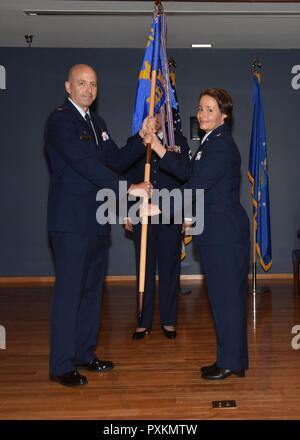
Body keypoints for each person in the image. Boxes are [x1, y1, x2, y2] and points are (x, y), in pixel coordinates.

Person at [45, 64, 152, 387]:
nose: (88, 89)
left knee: (92, 292)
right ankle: (62, 365)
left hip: (98, 220)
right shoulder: (60, 121)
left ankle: (84, 354)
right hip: (71, 222)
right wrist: (127, 189)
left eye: (93, 84)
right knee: (69, 294)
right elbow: (85, 165)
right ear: (68, 86)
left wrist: (141, 137)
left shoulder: (98, 123)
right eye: (82, 83)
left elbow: (115, 159)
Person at [148, 88, 250, 380]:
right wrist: (156, 146)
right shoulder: (210, 142)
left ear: (224, 115)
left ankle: (230, 362)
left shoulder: (220, 146)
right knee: (223, 299)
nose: (202, 114)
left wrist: (160, 207)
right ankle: (233, 360)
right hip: (217, 231)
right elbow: (186, 170)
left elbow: (194, 187)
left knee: (226, 300)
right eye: (201, 108)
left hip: (224, 234)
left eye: (209, 109)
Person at [124, 113, 191, 340]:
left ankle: (169, 320)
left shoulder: (178, 141)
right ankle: (143, 321)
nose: (157, 117)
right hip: (142, 212)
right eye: (153, 112)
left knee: (169, 267)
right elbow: (126, 175)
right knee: (144, 267)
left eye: (162, 112)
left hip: (170, 213)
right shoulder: (136, 140)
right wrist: (126, 211)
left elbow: (186, 178)